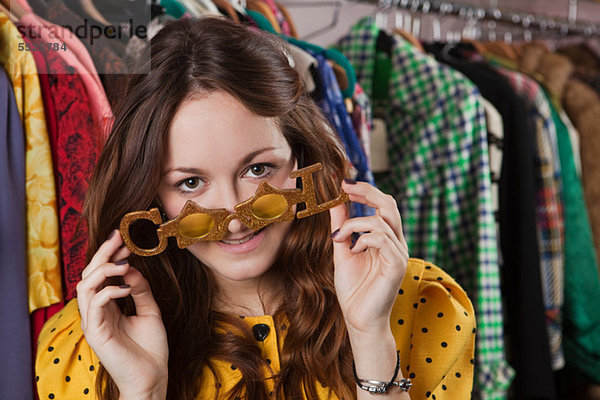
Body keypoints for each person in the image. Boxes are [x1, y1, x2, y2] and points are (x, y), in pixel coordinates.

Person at [35, 16, 476, 400]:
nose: (233, 214)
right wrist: (142, 391)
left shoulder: (419, 302)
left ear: (302, 159)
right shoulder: (91, 344)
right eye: (190, 182)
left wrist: (371, 339)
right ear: (151, 199)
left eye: (258, 168)